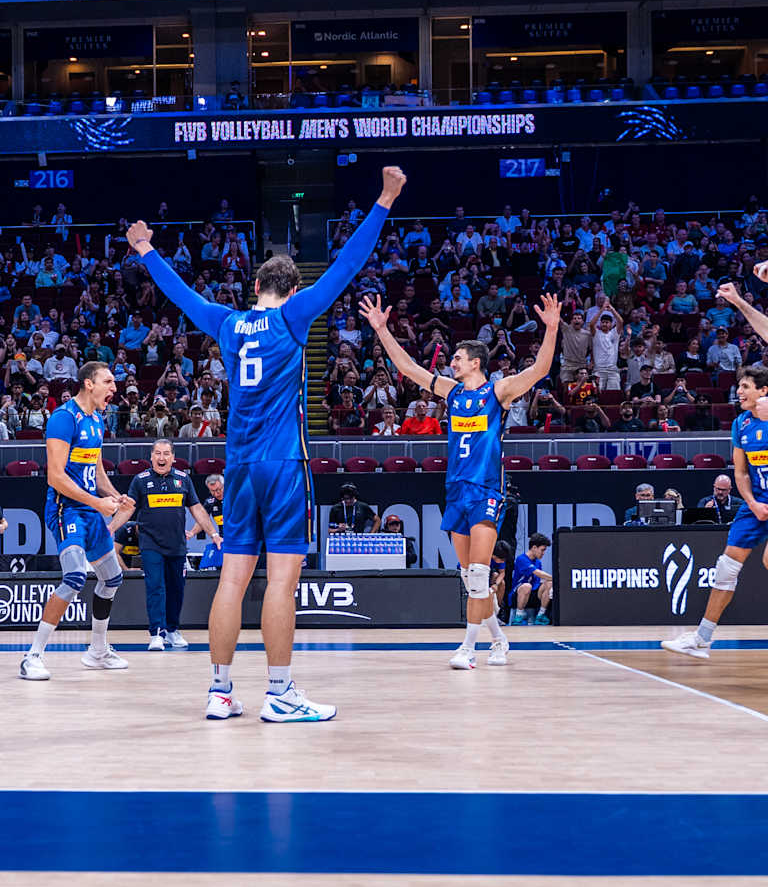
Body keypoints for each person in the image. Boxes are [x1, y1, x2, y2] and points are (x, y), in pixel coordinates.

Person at [127, 164, 406, 720]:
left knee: (232, 579)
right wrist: (385, 199)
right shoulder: (296, 317)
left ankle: (220, 691)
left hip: (237, 465)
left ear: (254, 287)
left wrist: (147, 251)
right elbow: (347, 265)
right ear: (292, 289)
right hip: (282, 463)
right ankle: (279, 694)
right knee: (282, 580)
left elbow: (182, 295)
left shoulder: (229, 324)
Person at [360, 290, 561, 669]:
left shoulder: (497, 391)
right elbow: (407, 369)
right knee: (472, 580)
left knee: (481, 572)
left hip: (485, 489)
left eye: (456, 358)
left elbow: (539, 371)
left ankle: (468, 648)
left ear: (476, 362)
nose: (450, 362)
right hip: (455, 490)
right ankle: (499, 641)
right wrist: (382, 331)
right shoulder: (451, 393)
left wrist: (551, 329)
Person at [19, 361, 128, 680]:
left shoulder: (98, 419)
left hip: (91, 508)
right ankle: (32, 657)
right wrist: (97, 502)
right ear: (88, 384)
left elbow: (94, 465)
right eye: (108, 382)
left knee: (112, 579)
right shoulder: (64, 419)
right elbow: (55, 476)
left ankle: (97, 651)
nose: (114, 388)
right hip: (66, 508)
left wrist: (114, 495)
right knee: (75, 576)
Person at [662, 366, 768, 659]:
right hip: (756, 501)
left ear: (763, 392)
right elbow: (741, 472)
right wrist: (753, 502)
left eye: (746, 386)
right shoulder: (741, 424)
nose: (740, 392)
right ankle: (701, 639)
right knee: (726, 568)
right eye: (739, 386)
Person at [109, 440, 222, 650]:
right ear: (151, 456)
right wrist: (111, 528)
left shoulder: (183, 479)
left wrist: (213, 533)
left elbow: (197, 509)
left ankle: (172, 630)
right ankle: (157, 634)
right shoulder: (140, 480)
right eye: (158, 454)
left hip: (177, 544)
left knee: (176, 589)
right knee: (155, 587)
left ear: (173, 457)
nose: (162, 458)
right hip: (151, 544)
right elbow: (128, 509)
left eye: (166, 454)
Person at [510, 533, 553, 625]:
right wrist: (557, 578)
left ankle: (540, 615)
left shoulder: (538, 562)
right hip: (519, 592)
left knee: (549, 583)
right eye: (542, 550)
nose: (543, 553)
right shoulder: (521, 559)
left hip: (534, 592)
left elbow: (539, 578)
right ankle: (518, 615)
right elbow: (538, 573)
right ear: (534, 548)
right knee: (527, 586)